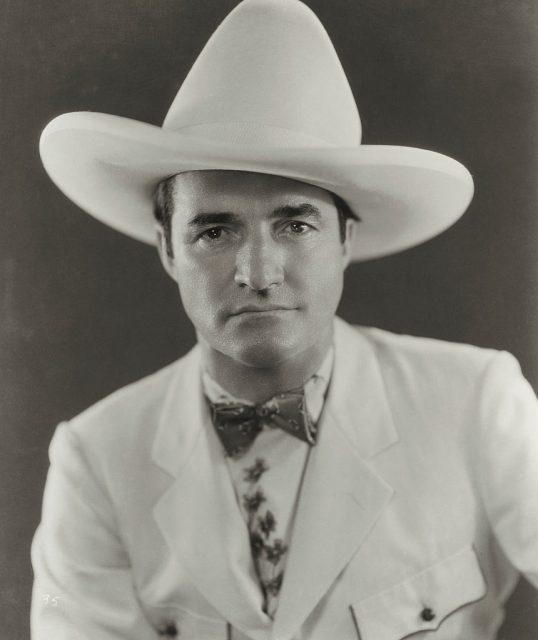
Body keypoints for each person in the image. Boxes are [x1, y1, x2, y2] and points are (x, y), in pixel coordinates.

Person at [31, 0, 538, 638]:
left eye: (294, 224)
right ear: (167, 248)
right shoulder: (97, 460)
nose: (259, 272)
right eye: (214, 231)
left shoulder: (474, 404)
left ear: (346, 240)